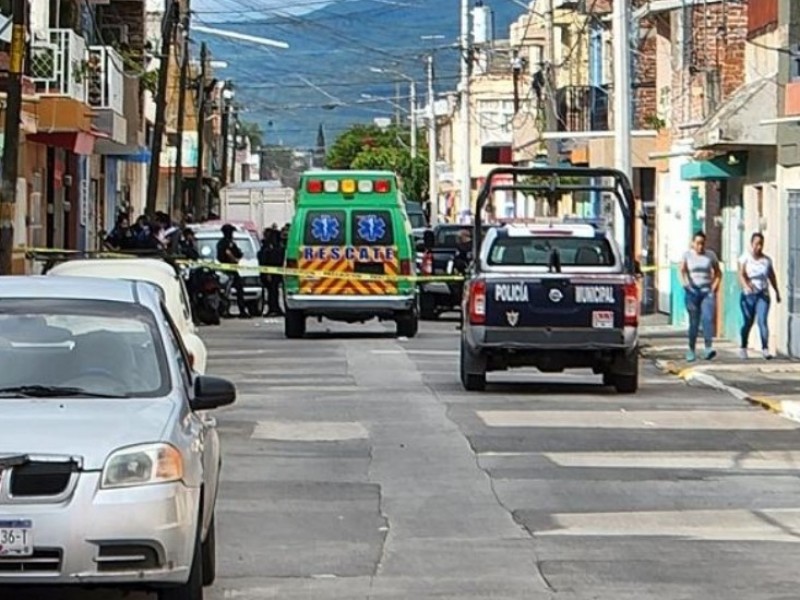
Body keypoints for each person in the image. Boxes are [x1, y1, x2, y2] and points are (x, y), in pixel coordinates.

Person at [680, 231, 722, 362]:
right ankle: (691, 349)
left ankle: (708, 348)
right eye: (697, 243)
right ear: (693, 243)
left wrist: (714, 287)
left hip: (706, 291)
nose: (700, 246)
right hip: (692, 292)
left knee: (707, 319)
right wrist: (686, 285)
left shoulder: (710, 256)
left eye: (702, 243)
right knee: (694, 321)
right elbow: (681, 271)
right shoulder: (687, 255)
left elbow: (718, 273)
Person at [738, 232, 781, 359]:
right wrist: (746, 285)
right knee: (748, 322)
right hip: (749, 295)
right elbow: (741, 274)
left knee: (762, 320)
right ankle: (743, 346)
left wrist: (776, 291)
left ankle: (765, 349)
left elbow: (771, 276)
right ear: (752, 244)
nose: (759, 247)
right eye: (756, 244)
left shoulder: (766, 260)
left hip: (763, 294)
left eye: (761, 244)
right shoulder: (745, 258)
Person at [216, 224, 250, 318]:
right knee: (227, 292)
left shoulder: (224, 243)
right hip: (228, 270)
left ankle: (240, 311)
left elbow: (238, 253)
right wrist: (234, 259)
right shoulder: (225, 243)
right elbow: (229, 255)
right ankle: (226, 311)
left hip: (230, 270)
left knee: (237, 290)